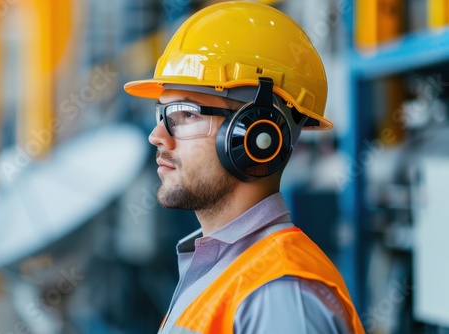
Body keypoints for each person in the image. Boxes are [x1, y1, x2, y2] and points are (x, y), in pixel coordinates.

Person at [124, 1, 365, 333]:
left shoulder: (278, 296)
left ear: (257, 134)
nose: (157, 136)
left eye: (185, 114)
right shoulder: (217, 269)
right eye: (160, 114)